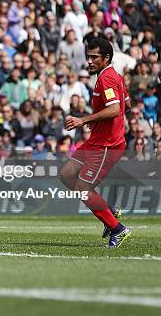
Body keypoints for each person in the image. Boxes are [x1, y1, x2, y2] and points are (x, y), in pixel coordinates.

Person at [61, 38, 131, 248]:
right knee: (66, 175)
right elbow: (126, 103)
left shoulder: (107, 78)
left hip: (107, 146)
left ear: (106, 58)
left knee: (83, 187)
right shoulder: (113, 76)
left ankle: (118, 229)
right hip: (98, 140)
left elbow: (115, 109)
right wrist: (102, 123)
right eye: (88, 57)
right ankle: (109, 211)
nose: (89, 61)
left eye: (94, 57)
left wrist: (84, 120)